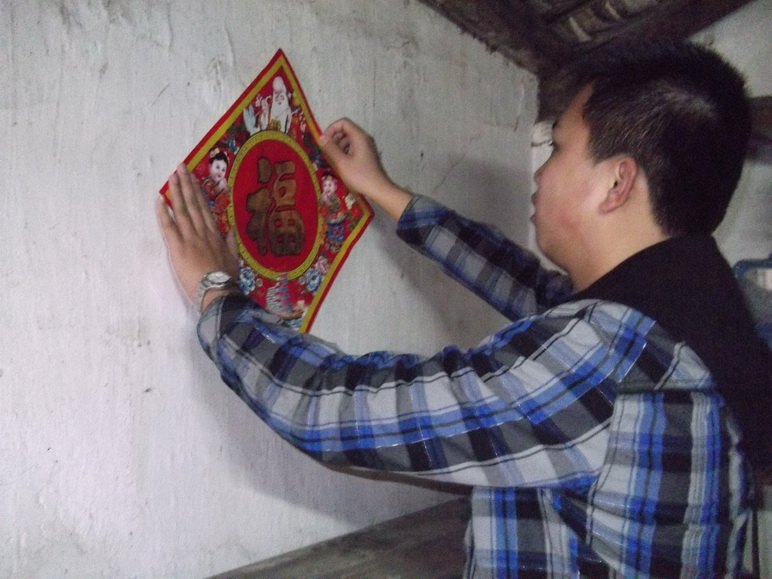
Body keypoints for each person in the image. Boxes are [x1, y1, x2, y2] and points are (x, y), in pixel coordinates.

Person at [157, 41, 771, 578]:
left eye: (558, 147)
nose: (541, 172)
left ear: (616, 183)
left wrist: (217, 293)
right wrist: (384, 192)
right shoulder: (698, 313)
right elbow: (530, 289)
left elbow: (335, 410)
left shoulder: (606, 357)